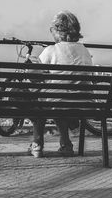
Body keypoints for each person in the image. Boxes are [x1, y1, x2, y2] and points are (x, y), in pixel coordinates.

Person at [29, 10, 93, 158]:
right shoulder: (85, 51)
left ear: (58, 31)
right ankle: (65, 143)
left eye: (52, 30)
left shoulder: (51, 50)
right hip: (84, 103)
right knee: (58, 97)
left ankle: (37, 143)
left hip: (58, 102)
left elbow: (36, 76)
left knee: (37, 98)